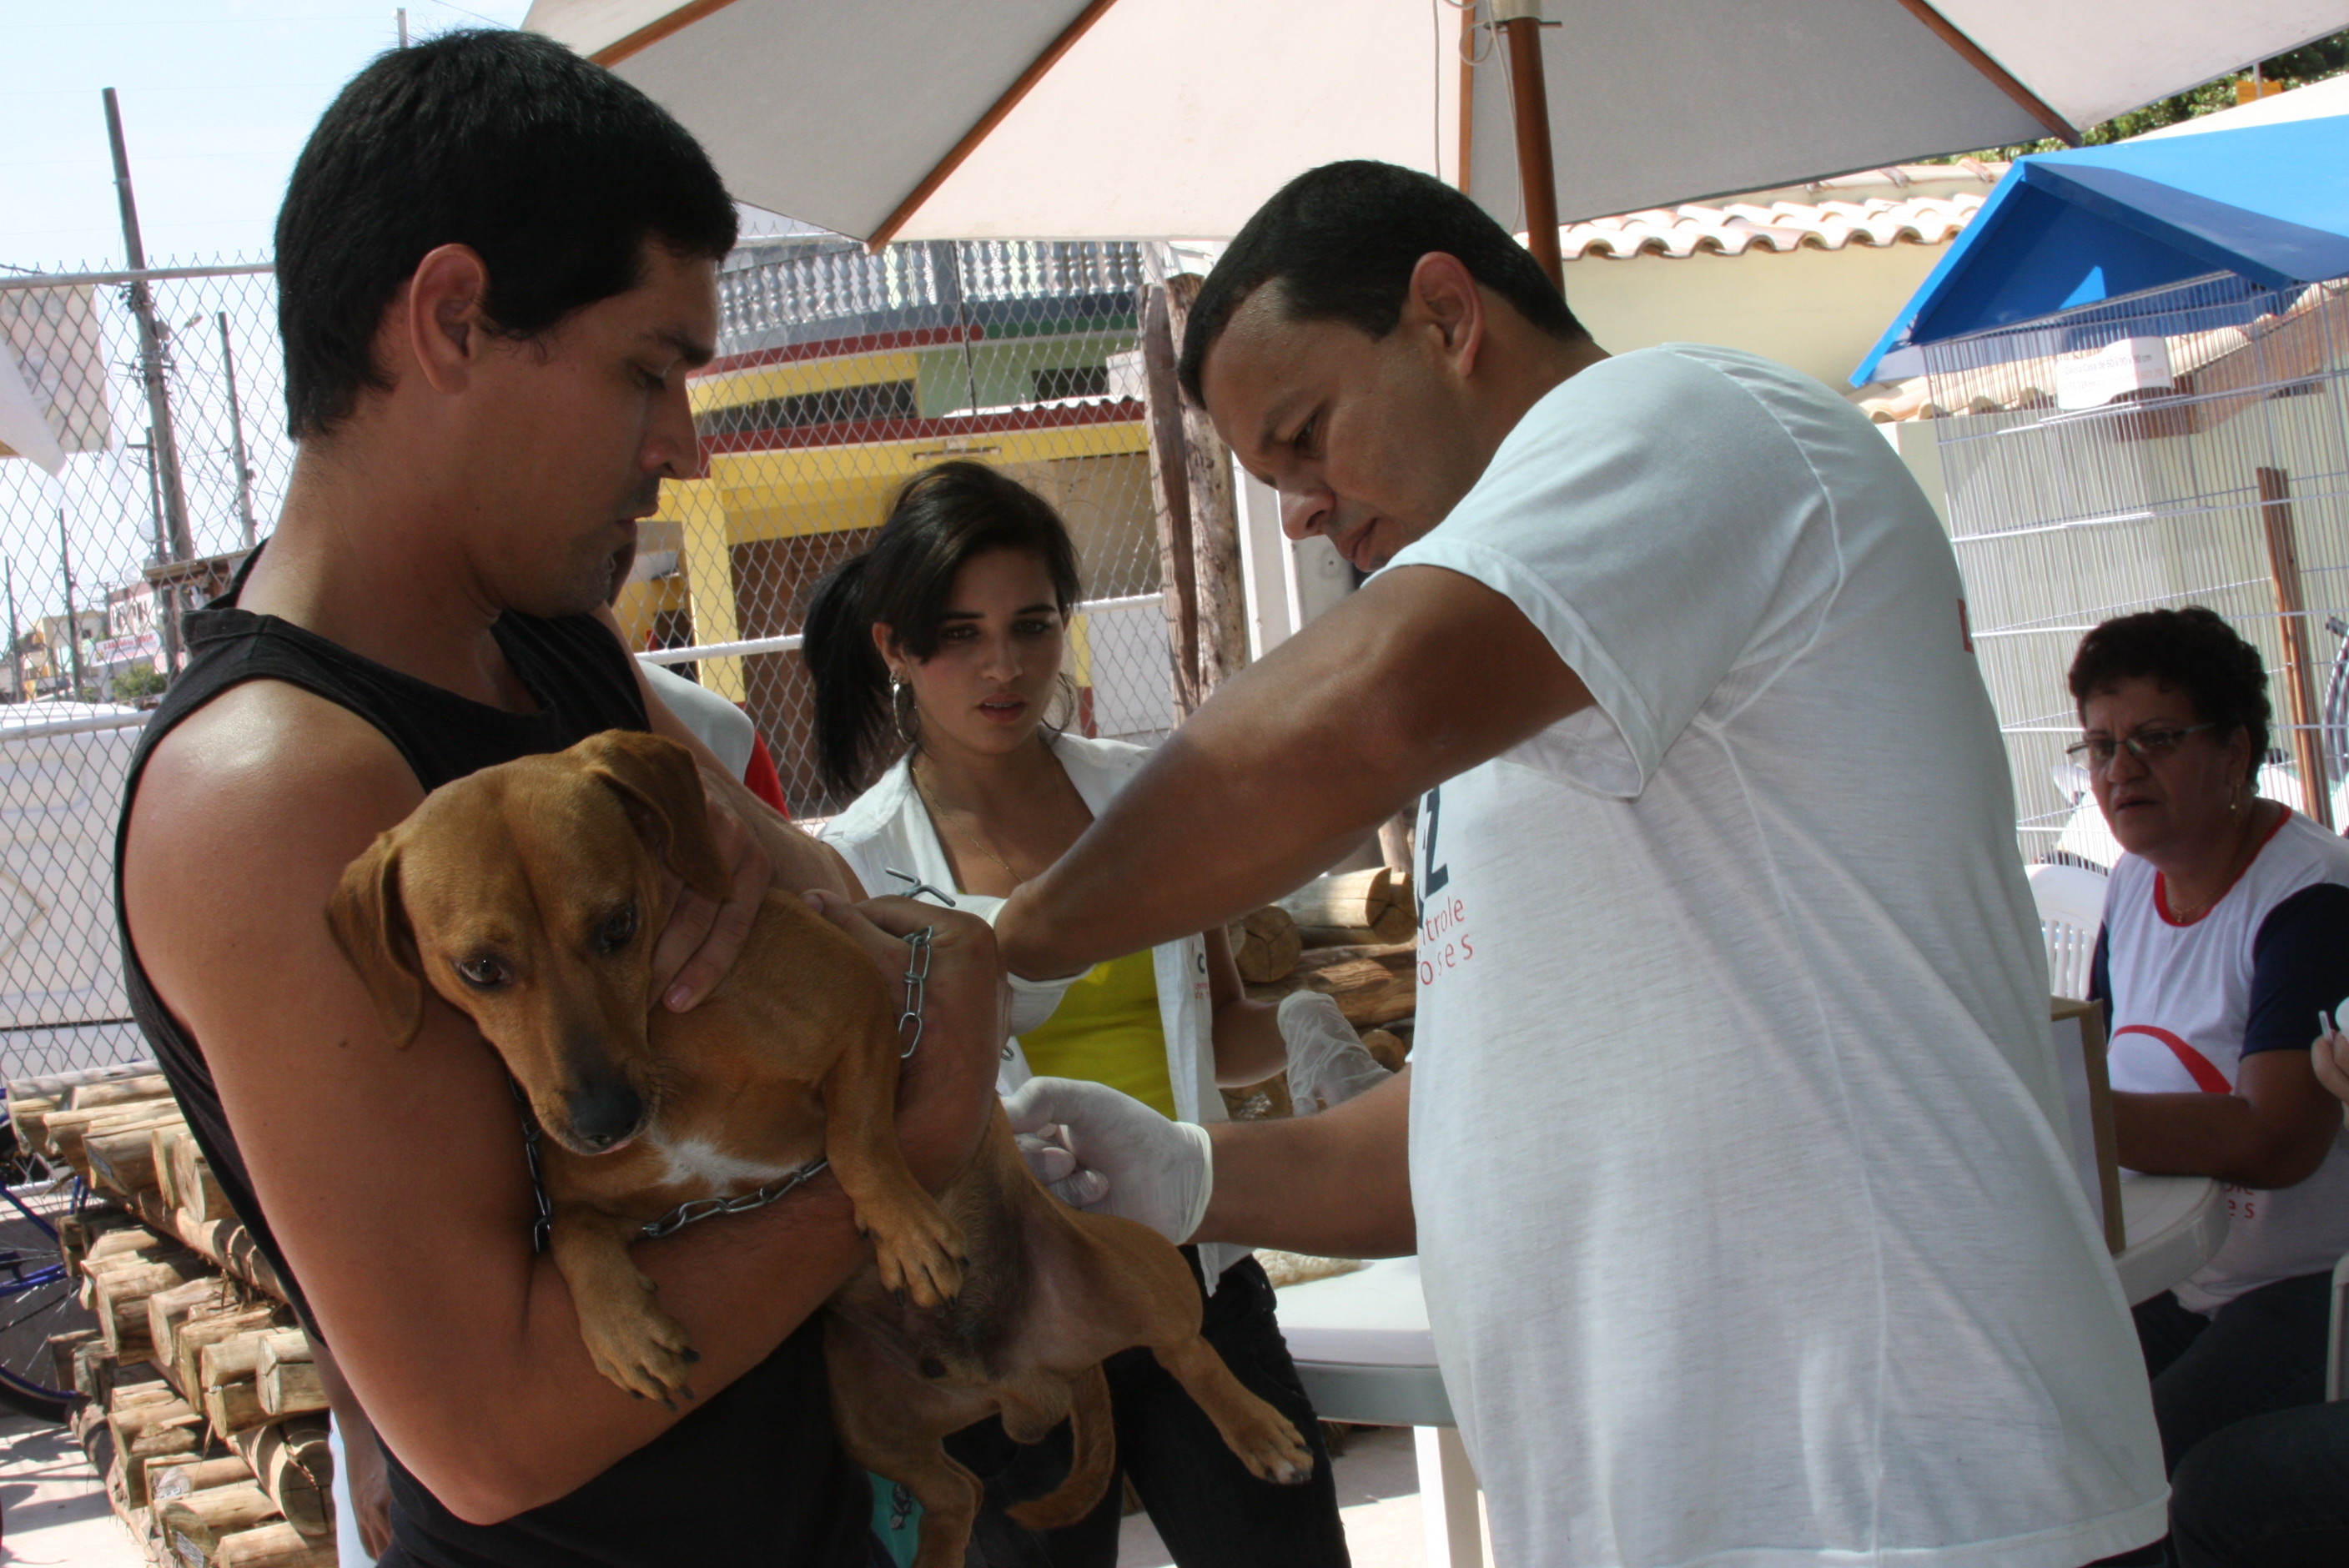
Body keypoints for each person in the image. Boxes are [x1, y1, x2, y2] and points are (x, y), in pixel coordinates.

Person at [988, 159, 2168, 1567]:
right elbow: (1481, 1131)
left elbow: (1355, 717)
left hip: (1906, 1502)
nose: (1300, 509)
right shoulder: (1518, 694)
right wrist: (1181, 1175)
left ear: (1444, 313)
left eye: (1307, 437)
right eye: (1268, 480)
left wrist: (1006, 948)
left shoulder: (1685, 421)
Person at [114, 33, 999, 1568]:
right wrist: (898, 1152)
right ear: (452, 319)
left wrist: (934, 967)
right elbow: (496, 1430)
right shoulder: (272, 790)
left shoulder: (559, 655)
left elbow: (854, 920)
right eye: (644, 370)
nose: (683, 445)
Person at [804, 460, 1357, 1568]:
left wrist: (1317, 1035)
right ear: (894, 650)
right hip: (1008, 1317)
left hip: (1192, 1270)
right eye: (958, 635)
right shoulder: (855, 868)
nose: (1004, 666)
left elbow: (1225, 1024)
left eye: (1032, 624)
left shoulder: (1145, 797)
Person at [2070, 609, 2349, 1474]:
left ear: (2234, 749)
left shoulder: (2309, 896)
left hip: (2299, 1285)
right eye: (2099, 745)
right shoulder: (2125, 886)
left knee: (2134, 1468)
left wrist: (2060, 1109)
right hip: (2179, 1270)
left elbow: (2276, 1137)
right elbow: (2097, 1057)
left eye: (2154, 737)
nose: (2120, 769)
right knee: (2038, 1414)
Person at [2160, 1022, 2349, 1568]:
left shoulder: (2304, 937)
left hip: (2296, 1285)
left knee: (2213, 1493)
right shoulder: (2126, 934)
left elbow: (2271, 1139)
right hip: (2200, 1274)